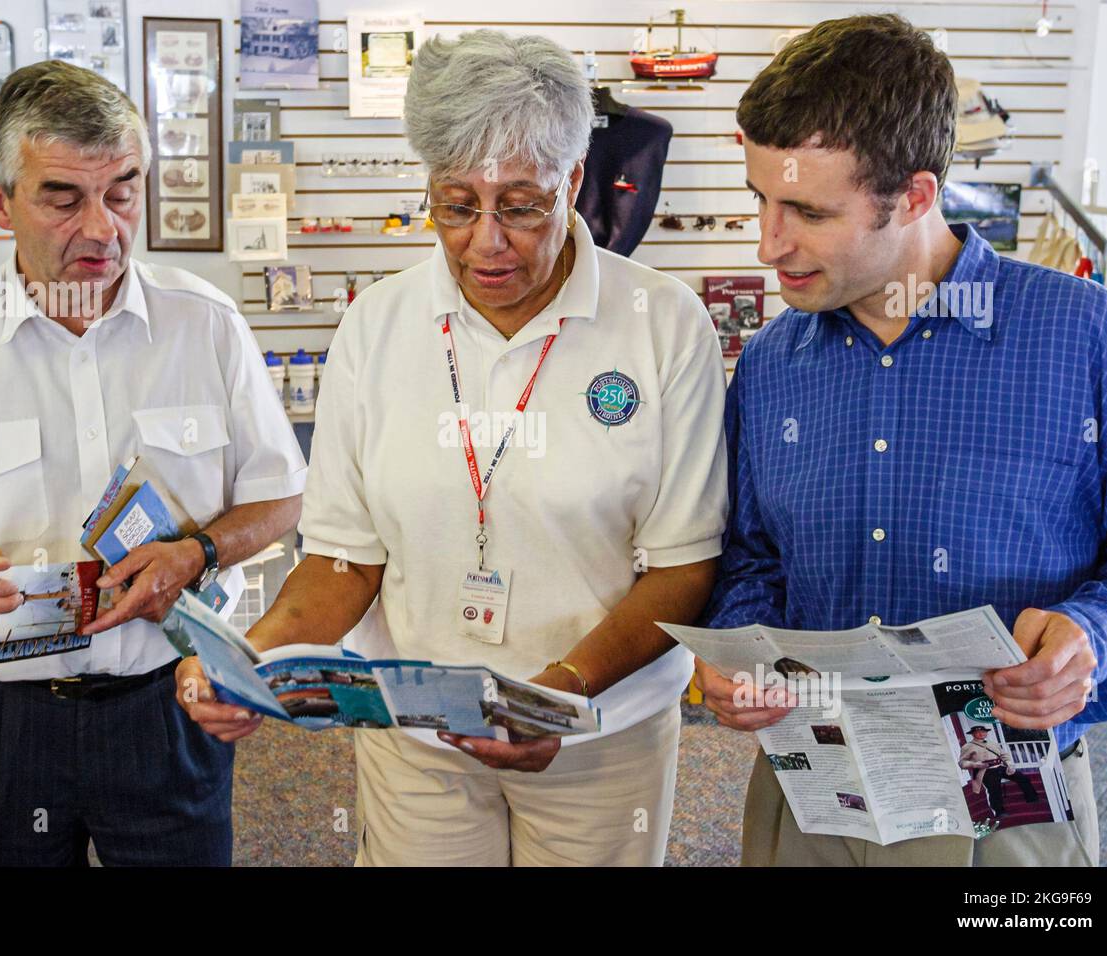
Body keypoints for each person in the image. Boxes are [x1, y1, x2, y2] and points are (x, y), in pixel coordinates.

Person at [176, 30, 729, 866]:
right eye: (456, 204)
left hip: (595, 733)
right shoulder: (378, 324)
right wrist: (255, 661)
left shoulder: (664, 324)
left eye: (520, 204)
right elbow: (342, 560)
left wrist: (564, 691)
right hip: (415, 733)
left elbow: (684, 564)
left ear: (574, 180)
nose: (485, 242)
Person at [698, 14, 1107, 866]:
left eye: (807, 211)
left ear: (914, 196)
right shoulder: (770, 365)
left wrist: (1094, 635)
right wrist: (742, 648)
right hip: (812, 785)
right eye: (761, 199)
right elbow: (752, 560)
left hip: (1004, 796)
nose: (767, 244)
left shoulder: (1089, 339)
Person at [0, 60, 306, 865]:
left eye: (123, 190)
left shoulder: (206, 325)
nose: (102, 228)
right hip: (4, 719)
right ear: (0, 202)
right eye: (63, 197)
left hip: (167, 699)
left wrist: (198, 551)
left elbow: (279, 499)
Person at [958, 726, 1038, 817]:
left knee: (1022, 777)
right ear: (973, 734)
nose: (981, 734)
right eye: (978, 732)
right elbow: (962, 763)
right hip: (985, 771)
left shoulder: (993, 743)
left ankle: (1032, 798)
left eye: (983, 732)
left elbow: (1003, 755)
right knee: (994, 789)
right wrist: (976, 764)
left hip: (999, 767)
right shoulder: (967, 747)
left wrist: (1009, 764)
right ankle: (999, 812)